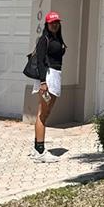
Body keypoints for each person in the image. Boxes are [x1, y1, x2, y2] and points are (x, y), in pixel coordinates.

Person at [30, 11, 66, 161]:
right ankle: (40, 151)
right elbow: (40, 62)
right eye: (52, 23)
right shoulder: (44, 39)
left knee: (46, 113)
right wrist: (43, 82)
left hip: (55, 76)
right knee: (42, 115)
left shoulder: (57, 38)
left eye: (57, 22)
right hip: (48, 78)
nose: (55, 25)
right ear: (47, 24)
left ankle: (36, 147)